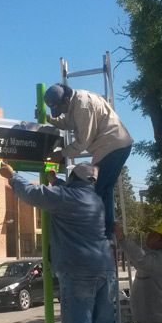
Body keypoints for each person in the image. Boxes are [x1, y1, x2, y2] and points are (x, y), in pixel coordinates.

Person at [0, 161, 121, 323]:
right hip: (105, 269)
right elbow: (69, 191)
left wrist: (12, 176)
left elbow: (32, 194)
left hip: (78, 271)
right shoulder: (95, 199)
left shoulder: (65, 199)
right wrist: (56, 180)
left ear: (73, 180)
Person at [44, 83, 133, 239]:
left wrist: (61, 154)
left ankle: (100, 235)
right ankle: (106, 231)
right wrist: (49, 119)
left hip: (112, 146)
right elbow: (68, 123)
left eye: (60, 108)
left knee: (91, 191)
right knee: (103, 190)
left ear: (66, 99)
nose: (61, 112)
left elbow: (82, 143)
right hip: (115, 145)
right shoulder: (73, 103)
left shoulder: (83, 106)